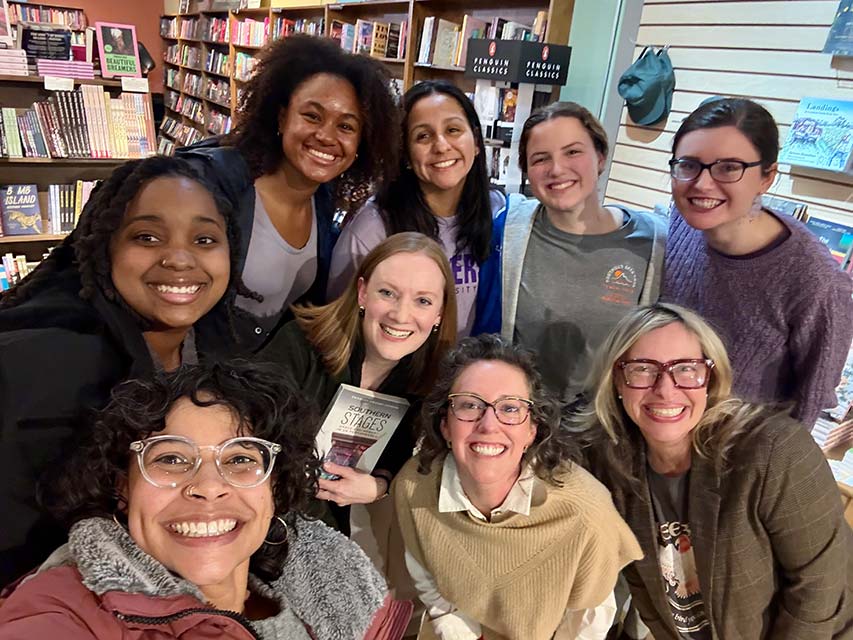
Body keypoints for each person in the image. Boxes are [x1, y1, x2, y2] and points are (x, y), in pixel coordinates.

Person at [0, 361, 412, 638]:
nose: (209, 485)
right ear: (121, 487)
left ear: (275, 486)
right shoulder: (63, 610)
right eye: (172, 458)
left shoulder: (338, 577)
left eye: (239, 458)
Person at [0, 156, 244, 587]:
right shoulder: (48, 369)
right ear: (104, 247)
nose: (180, 259)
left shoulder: (214, 346)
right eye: (147, 237)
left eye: (205, 239)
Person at [578, 303, 853, 639]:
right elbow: (645, 588)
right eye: (642, 369)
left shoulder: (773, 451)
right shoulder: (610, 464)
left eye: (685, 368)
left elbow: (821, 589)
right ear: (617, 381)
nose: (665, 389)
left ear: (711, 377)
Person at [393, 334, 642, 640]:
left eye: (510, 408)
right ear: (445, 425)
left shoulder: (585, 511)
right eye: (470, 405)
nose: (488, 425)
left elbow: (586, 620)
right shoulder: (414, 488)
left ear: (532, 430)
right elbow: (433, 587)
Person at [178, 34, 401, 355]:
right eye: (312, 116)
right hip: (185, 382)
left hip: (253, 385)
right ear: (282, 117)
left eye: (347, 127)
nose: (326, 136)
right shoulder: (215, 183)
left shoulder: (323, 200)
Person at [661, 97, 853, 429]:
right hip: (656, 435)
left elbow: (811, 402)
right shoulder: (679, 219)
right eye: (689, 165)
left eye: (729, 167)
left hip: (734, 461)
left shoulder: (815, 280)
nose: (703, 183)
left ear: (767, 177)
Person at [259, 232, 457, 531]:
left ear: (439, 315)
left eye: (423, 301)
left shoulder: (429, 386)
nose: (401, 315)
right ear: (363, 293)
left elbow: (419, 468)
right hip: (261, 517)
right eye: (387, 293)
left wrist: (381, 486)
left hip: (330, 537)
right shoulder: (297, 346)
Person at [473, 102, 667, 405]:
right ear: (526, 170)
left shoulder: (653, 242)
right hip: (519, 422)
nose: (557, 169)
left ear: (600, 157)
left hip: (606, 429)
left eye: (573, 152)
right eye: (540, 158)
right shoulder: (507, 231)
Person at [327, 80, 505, 337]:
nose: (442, 145)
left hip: (469, 371)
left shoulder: (499, 212)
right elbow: (340, 327)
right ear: (406, 156)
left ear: (476, 142)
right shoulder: (373, 230)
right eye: (423, 136)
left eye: (453, 130)